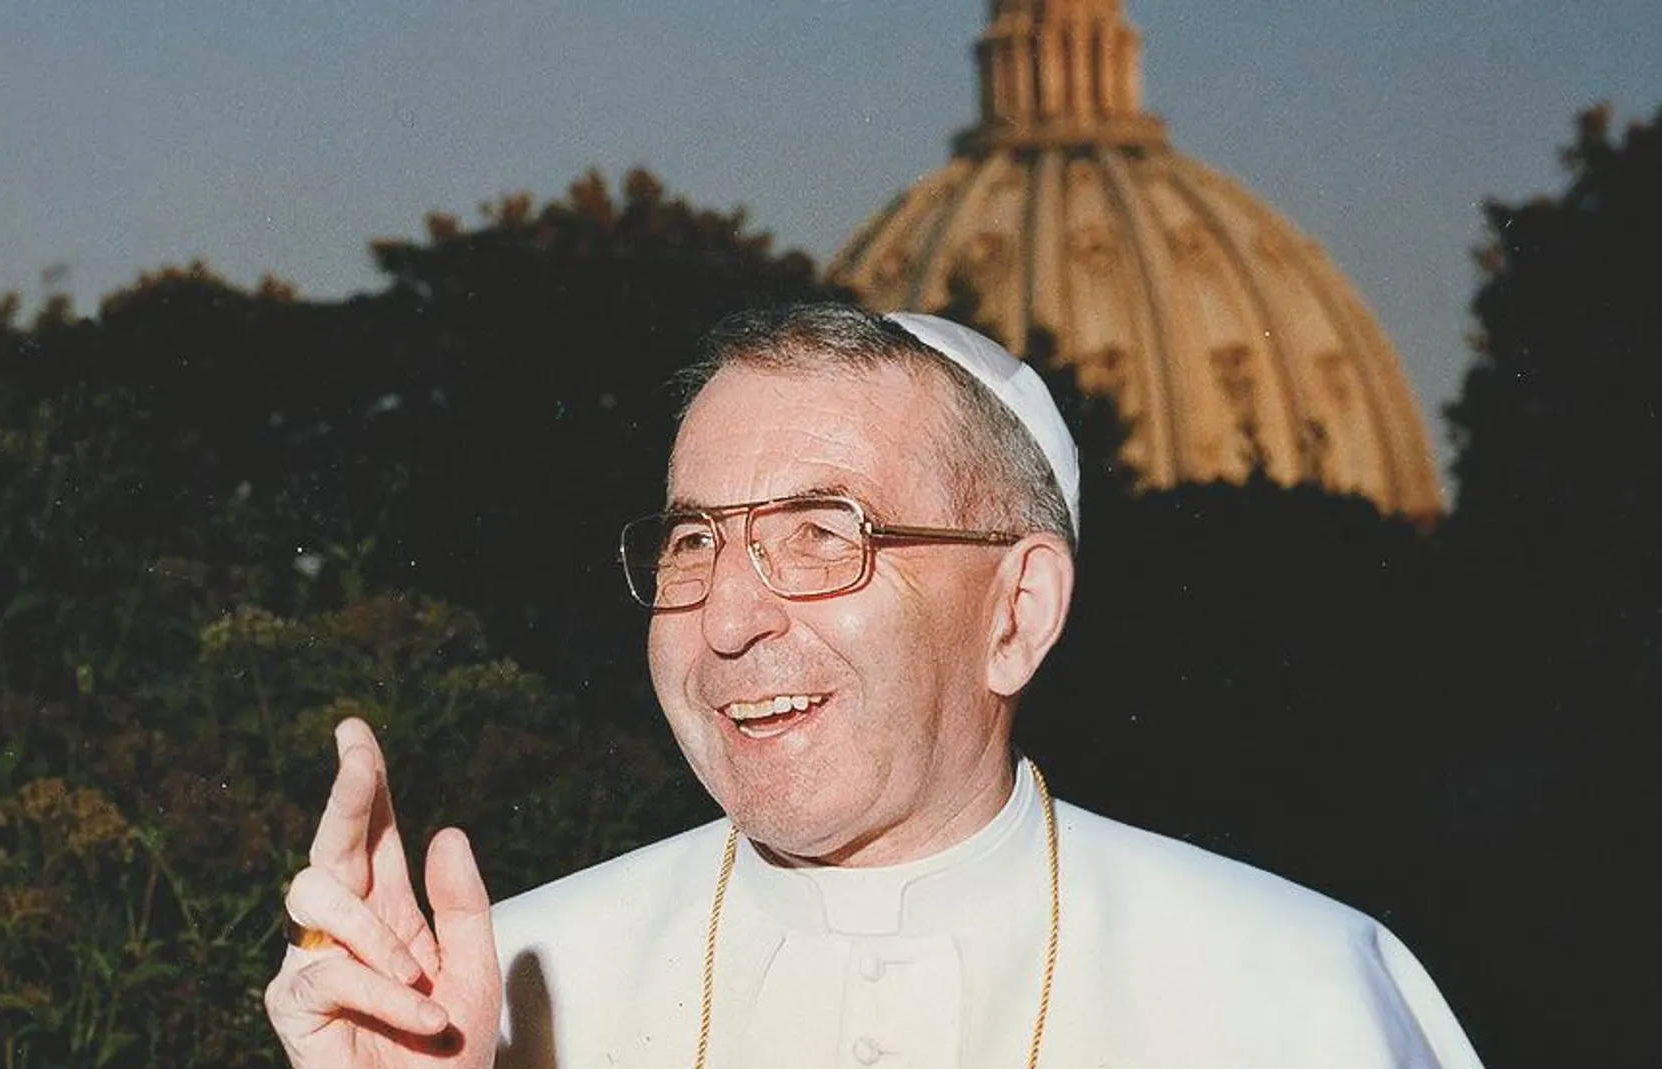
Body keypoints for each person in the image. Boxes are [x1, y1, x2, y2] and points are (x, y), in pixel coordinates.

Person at [264, 304, 1484, 1068]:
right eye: (694, 540)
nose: (729, 619)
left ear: (1017, 613)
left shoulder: (1294, 993)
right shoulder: (507, 990)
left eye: (820, 534)